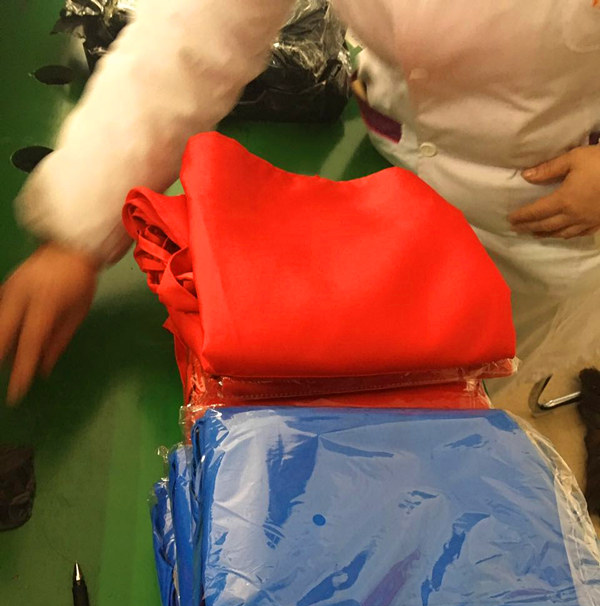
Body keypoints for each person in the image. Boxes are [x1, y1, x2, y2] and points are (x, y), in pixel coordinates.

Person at [1, 0, 599, 405]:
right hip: (394, 167)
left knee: (486, 394)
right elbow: (198, 33)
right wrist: (80, 227)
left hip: (545, 208)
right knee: (378, 393)